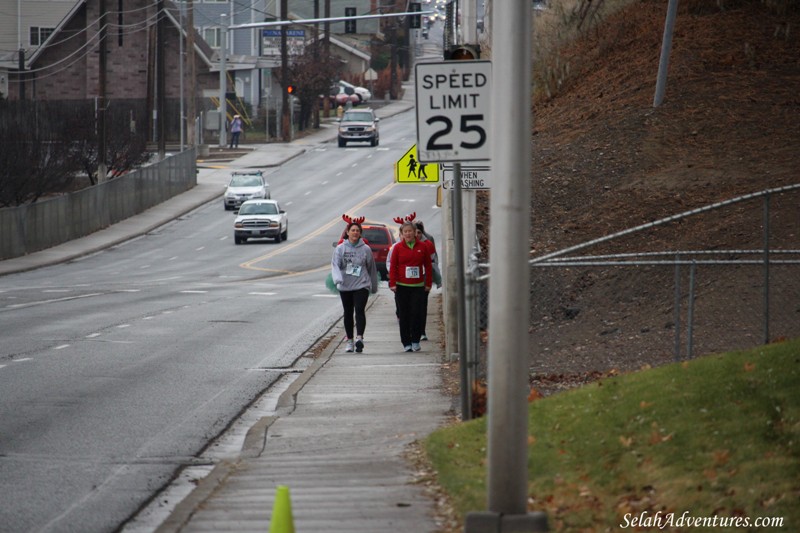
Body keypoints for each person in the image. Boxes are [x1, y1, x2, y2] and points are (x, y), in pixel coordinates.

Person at [331, 221, 378, 353]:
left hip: (361, 285)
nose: (355, 233)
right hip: (345, 286)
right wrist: (337, 279)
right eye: (353, 230)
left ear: (360, 233)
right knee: (348, 313)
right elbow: (335, 265)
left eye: (357, 230)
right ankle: (350, 340)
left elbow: (371, 268)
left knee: (359, 310)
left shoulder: (366, 249)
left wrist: (373, 286)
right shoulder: (341, 248)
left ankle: (359, 338)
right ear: (347, 232)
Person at [388, 221, 432, 352]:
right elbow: (393, 266)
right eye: (405, 232)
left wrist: (428, 283)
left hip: (418, 285)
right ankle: (406, 342)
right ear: (402, 234)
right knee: (404, 314)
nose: (408, 234)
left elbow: (428, 266)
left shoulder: (423, 247)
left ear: (415, 233)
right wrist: (393, 283)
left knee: (417, 313)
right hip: (402, 286)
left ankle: (415, 340)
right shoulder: (397, 248)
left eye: (410, 231)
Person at [415, 221, 441, 341]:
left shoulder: (427, 244)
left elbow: (433, 263)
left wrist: (431, 280)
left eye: (419, 232)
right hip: (408, 281)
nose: (416, 235)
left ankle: (421, 331)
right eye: (414, 232)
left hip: (423, 279)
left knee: (422, 305)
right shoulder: (403, 244)